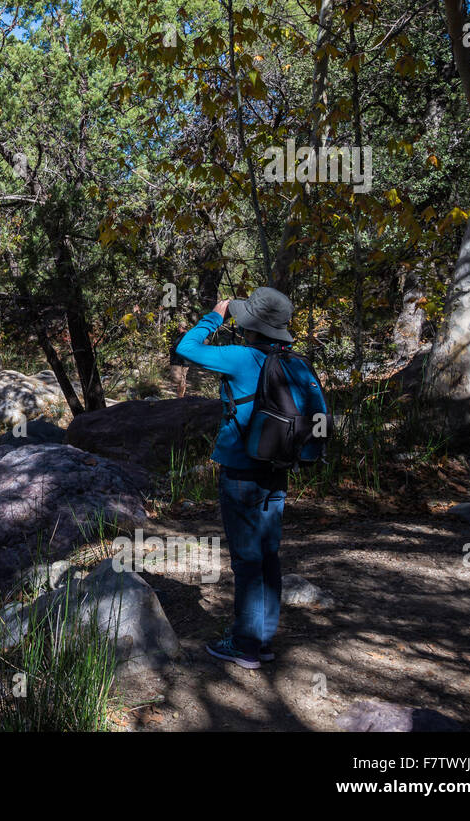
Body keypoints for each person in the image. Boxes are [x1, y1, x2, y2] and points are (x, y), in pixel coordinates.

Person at [175, 286, 297, 670]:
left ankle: (244, 646)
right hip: (277, 470)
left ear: (251, 325)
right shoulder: (292, 362)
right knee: (268, 555)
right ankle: (261, 640)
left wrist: (216, 315)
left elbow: (187, 348)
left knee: (246, 560)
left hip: (242, 471)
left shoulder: (240, 358)